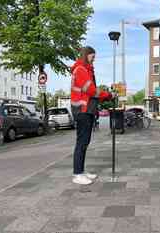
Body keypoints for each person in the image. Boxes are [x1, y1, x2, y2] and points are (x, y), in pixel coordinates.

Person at [70, 46, 112, 185]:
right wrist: (107, 95)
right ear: (86, 55)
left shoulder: (86, 70)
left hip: (86, 110)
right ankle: (77, 174)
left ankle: (81, 171)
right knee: (82, 142)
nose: (94, 59)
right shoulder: (81, 70)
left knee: (84, 142)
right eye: (92, 57)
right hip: (82, 111)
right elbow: (91, 91)